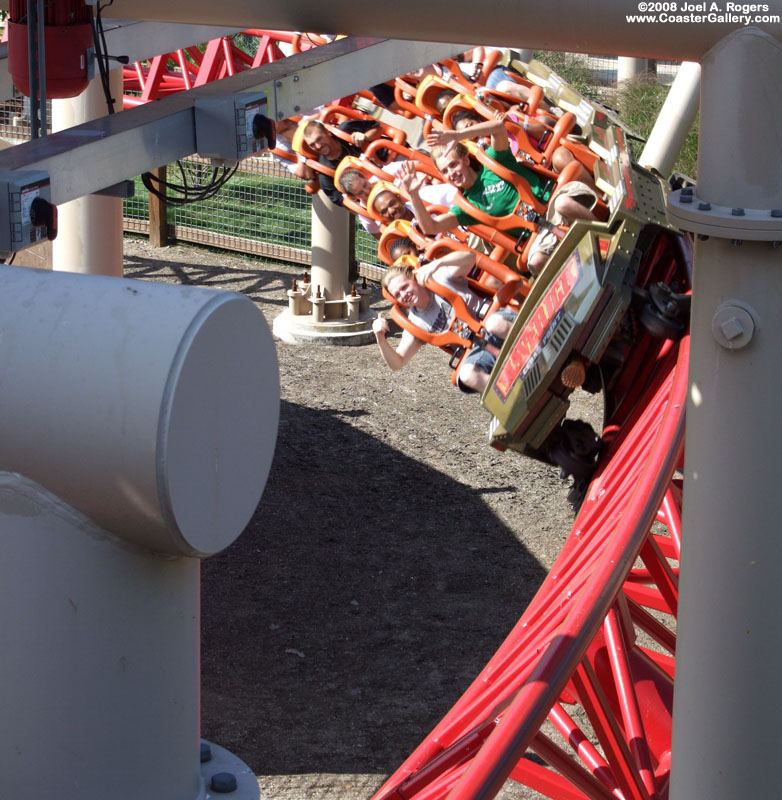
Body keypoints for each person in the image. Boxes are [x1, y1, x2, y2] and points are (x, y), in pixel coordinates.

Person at [400, 118, 599, 276]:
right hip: (537, 233)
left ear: (466, 159)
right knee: (536, 260)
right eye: (445, 171)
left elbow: (498, 127)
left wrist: (459, 134)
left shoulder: (494, 162)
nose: (451, 173)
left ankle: (603, 237)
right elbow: (430, 228)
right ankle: (584, 275)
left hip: (552, 206)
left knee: (564, 204)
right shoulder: (466, 205)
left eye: (454, 165)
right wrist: (414, 195)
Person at [373, 250, 516, 394]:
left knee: (495, 324)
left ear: (414, 278)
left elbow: (470, 257)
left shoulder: (439, 278)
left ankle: (535, 342)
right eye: (398, 294)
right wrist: (380, 338)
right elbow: (398, 363)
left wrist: (437, 263)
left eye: (404, 287)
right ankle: (512, 398)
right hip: (478, 349)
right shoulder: (415, 323)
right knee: (467, 374)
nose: (404, 294)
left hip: (493, 321)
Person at [301, 118, 384, 205]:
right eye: (312, 145)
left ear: (327, 132)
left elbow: (379, 129)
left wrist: (365, 137)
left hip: (387, 162)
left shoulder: (345, 130)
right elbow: (346, 203)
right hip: (374, 195)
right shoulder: (325, 175)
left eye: (319, 139)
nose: (318, 146)